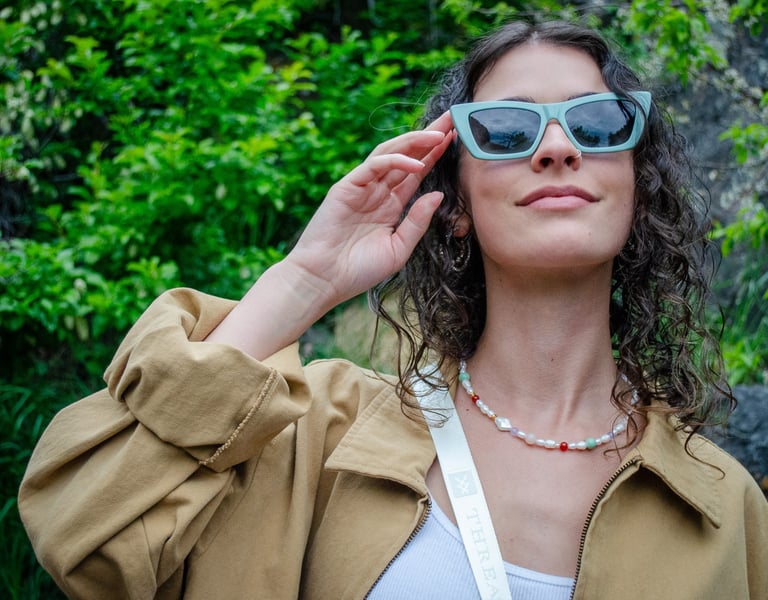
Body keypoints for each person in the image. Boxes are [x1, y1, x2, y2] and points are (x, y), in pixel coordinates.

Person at [19, 20, 767, 600]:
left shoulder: (726, 507)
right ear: (457, 203)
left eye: (599, 123)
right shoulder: (317, 435)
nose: (556, 148)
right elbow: (83, 536)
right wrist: (303, 282)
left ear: (637, 187)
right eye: (504, 130)